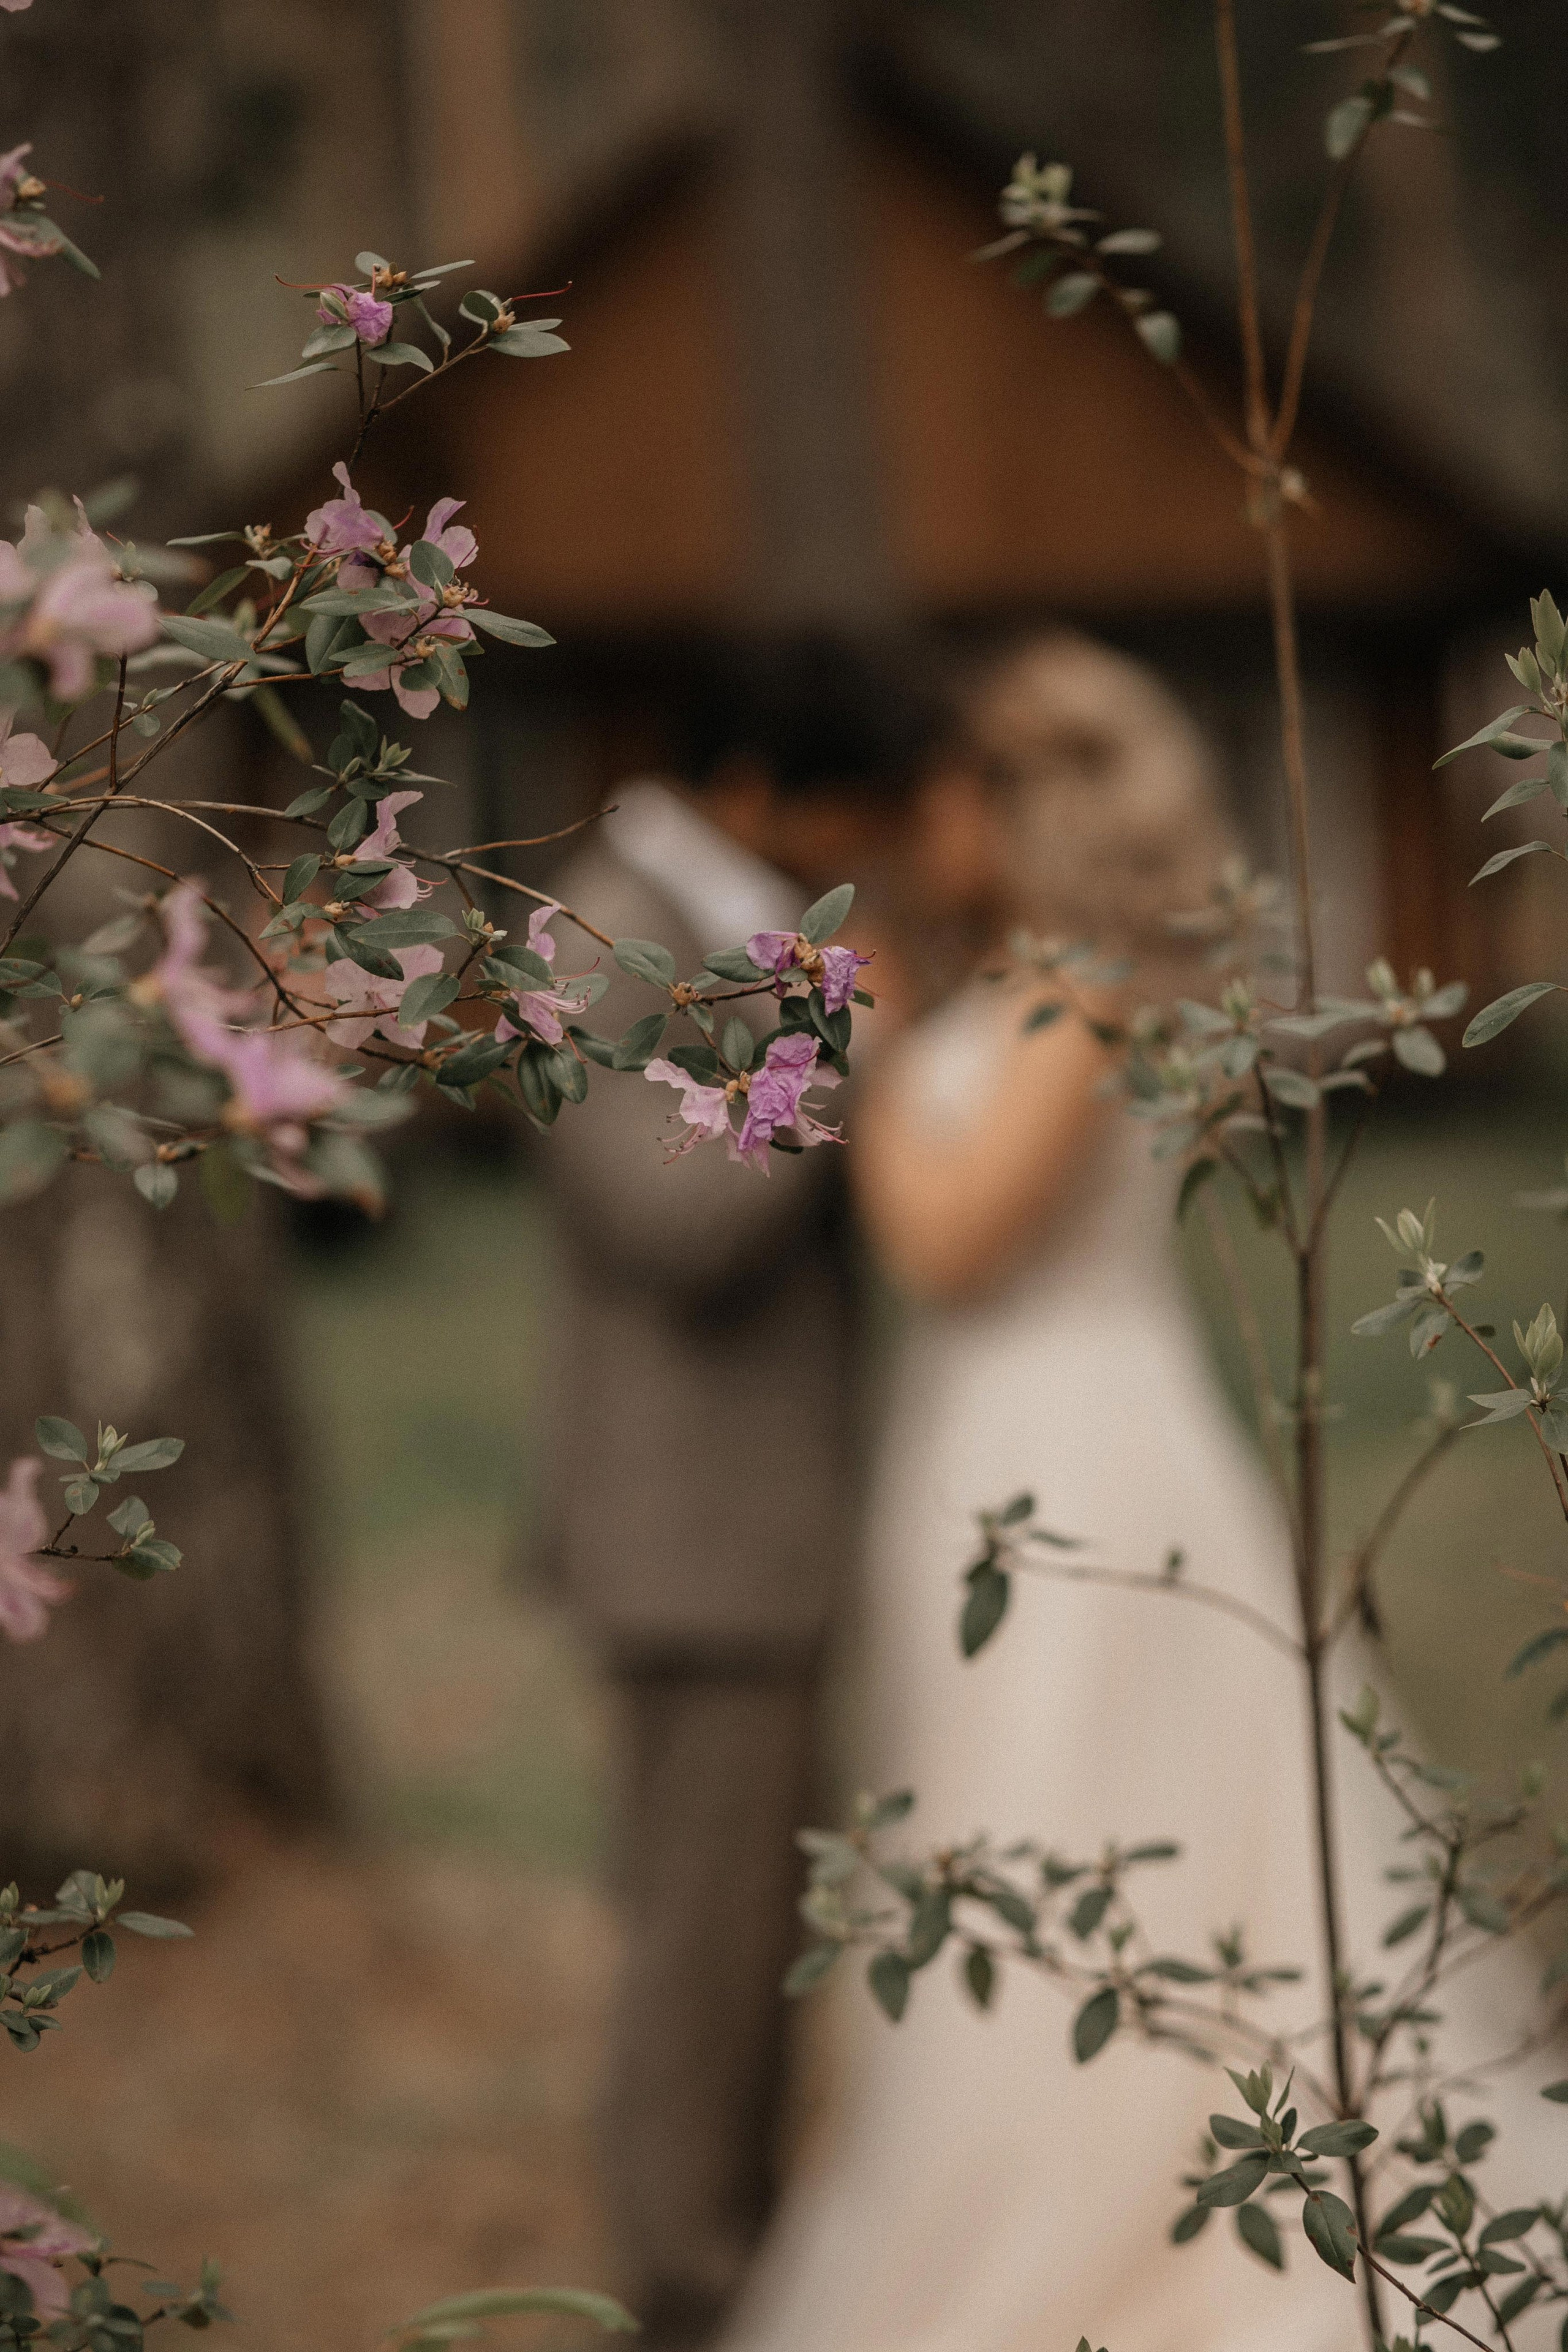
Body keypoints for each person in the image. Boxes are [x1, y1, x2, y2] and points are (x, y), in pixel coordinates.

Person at [721, 633, 1565, 2352]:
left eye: (951, 784)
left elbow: (950, 1242)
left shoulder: (1084, 995)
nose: (919, 816)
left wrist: (854, 1032)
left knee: (1073, 1814)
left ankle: (1091, 2220)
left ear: (1018, 804)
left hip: (1077, 1467)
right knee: (1001, 1815)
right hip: (1003, 1449)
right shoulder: (1032, 983)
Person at [530, 630, 950, 2352]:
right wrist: (843, 1041)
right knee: (700, 1967)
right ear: (761, 791)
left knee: (755, 1944)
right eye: (847, 818)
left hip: (765, 1524)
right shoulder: (597, 925)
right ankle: (686, 2298)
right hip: (691, 1533)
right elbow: (667, 1224)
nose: (868, 869)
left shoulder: (748, 928)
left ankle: (750, 2266)